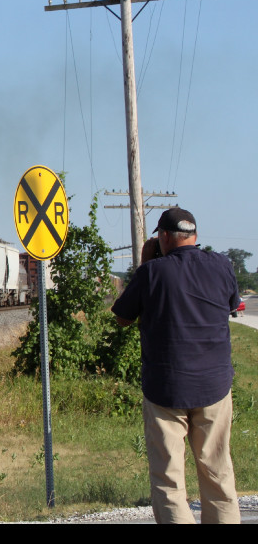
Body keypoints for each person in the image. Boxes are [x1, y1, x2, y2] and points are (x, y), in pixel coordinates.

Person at [111, 208, 240, 524]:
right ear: (194, 236)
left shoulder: (151, 273)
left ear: (164, 237)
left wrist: (146, 265)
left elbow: (123, 317)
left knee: (168, 481)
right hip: (214, 387)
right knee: (218, 473)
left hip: (165, 390)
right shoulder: (222, 266)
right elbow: (232, 306)